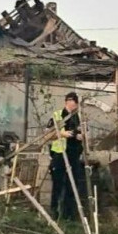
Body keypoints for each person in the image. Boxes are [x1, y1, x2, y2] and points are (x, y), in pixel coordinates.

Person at [47, 92, 85, 220]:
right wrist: (64, 134)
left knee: (72, 185)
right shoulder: (58, 115)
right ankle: (54, 212)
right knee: (57, 184)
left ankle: (68, 215)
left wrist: (80, 136)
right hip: (59, 155)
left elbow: (83, 133)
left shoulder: (78, 117)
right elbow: (48, 135)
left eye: (75, 103)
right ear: (66, 102)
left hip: (74, 155)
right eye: (71, 102)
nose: (73, 105)